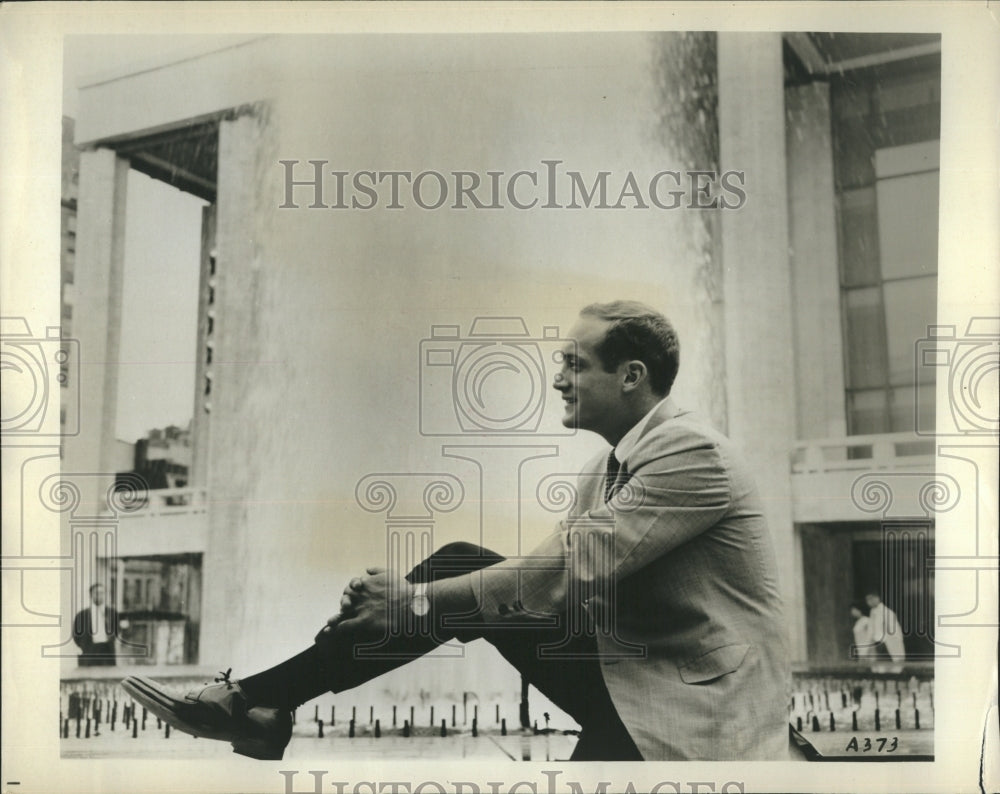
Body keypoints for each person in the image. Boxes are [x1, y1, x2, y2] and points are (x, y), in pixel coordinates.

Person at [123, 300, 790, 761]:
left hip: (698, 710)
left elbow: (561, 575)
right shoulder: (601, 471)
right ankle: (263, 704)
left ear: (632, 375)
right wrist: (394, 611)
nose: (557, 378)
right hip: (632, 675)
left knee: (442, 583)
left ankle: (259, 704)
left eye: (574, 363)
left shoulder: (692, 454)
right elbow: (544, 585)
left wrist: (411, 605)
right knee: (452, 569)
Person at [73, 583, 121, 667]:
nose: (99, 595)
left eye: (102, 593)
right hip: (90, 650)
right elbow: (76, 635)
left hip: (107, 651)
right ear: (91, 595)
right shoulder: (82, 615)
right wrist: (84, 646)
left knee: (108, 677)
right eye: (96, 593)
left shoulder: (112, 613)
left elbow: (117, 630)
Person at [865, 592, 905, 663]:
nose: (869, 602)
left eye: (871, 599)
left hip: (886, 643)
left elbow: (894, 630)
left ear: (877, 598)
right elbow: (871, 630)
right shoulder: (872, 612)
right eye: (867, 600)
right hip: (877, 643)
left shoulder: (887, 612)